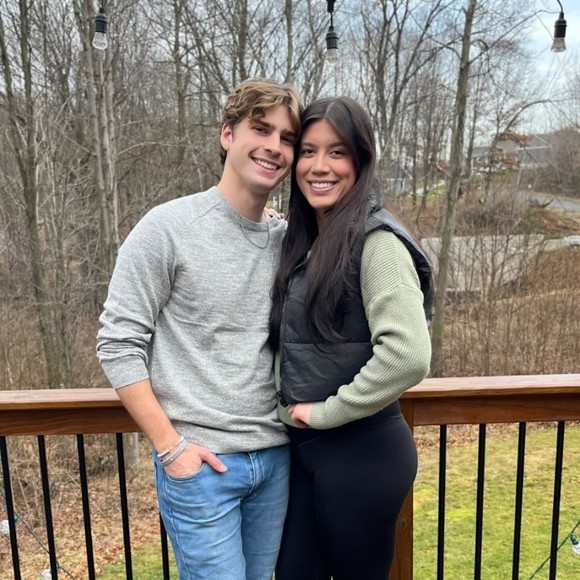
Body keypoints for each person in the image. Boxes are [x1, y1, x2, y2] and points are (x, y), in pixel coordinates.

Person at [97, 78, 303, 580]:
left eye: (287, 138)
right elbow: (118, 343)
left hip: (275, 460)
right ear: (227, 134)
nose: (274, 147)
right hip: (202, 467)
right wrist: (171, 448)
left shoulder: (287, 239)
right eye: (261, 129)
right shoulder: (167, 228)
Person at [269, 96, 434, 580]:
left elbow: (408, 355)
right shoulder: (310, 241)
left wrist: (326, 413)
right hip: (310, 452)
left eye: (337, 152)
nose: (319, 166)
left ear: (361, 162)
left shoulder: (378, 243)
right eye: (308, 151)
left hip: (361, 454)